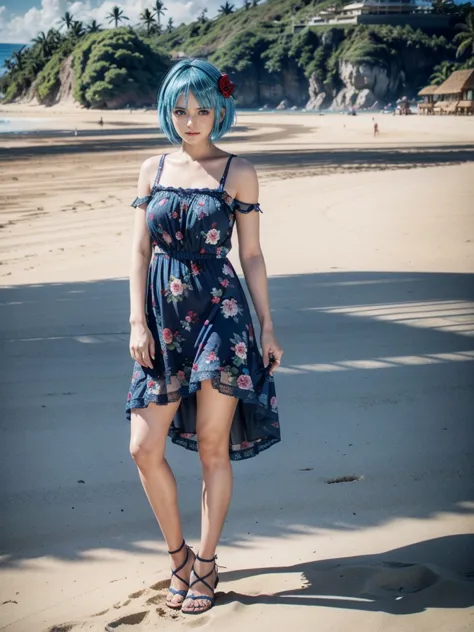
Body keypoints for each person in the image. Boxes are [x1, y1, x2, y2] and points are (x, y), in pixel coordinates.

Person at [126, 58, 283, 615]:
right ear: (169, 111)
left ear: (220, 110)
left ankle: (208, 563)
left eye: (202, 109)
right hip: (163, 321)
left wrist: (266, 323)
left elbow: (253, 255)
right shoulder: (153, 168)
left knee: (213, 447)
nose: (191, 120)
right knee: (144, 448)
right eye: (180, 109)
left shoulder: (238, 170)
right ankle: (179, 558)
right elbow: (141, 251)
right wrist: (136, 321)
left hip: (222, 317)